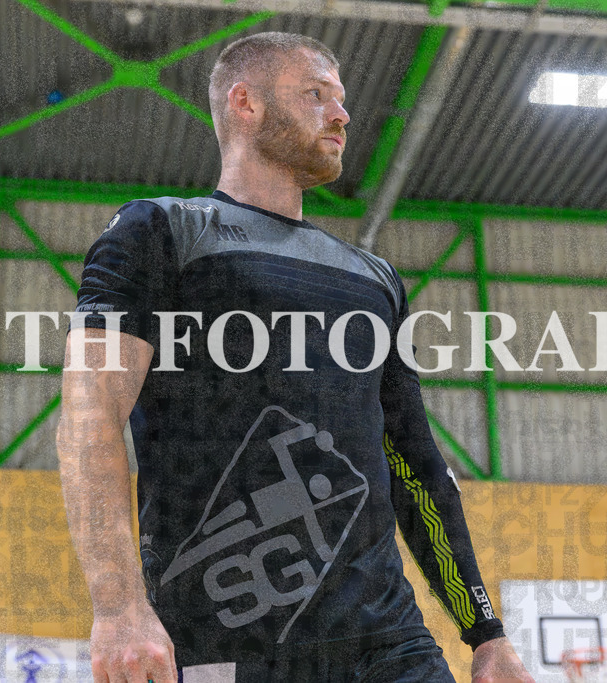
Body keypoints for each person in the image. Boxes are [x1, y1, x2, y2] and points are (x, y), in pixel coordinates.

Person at [57, 31, 534, 683]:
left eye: (341, 100)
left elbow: (415, 461)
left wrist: (487, 635)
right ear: (245, 103)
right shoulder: (161, 232)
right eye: (316, 95)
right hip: (219, 645)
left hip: (389, 649)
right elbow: (89, 420)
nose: (341, 114)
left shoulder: (374, 277)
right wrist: (117, 606)